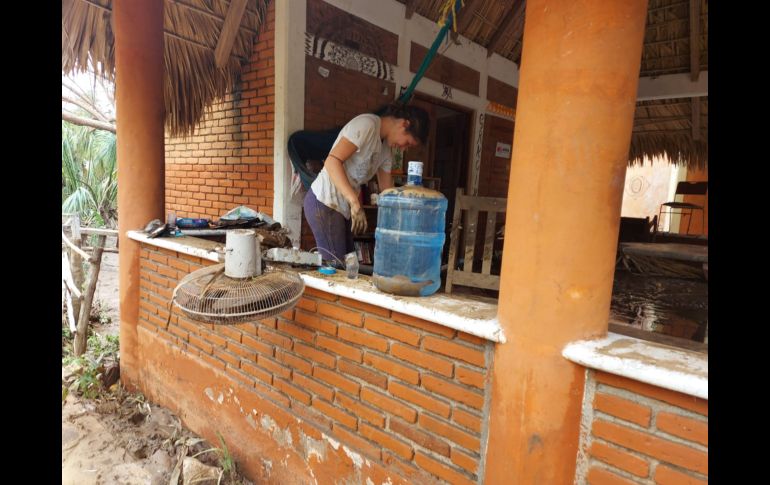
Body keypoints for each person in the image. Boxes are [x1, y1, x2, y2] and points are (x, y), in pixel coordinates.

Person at [303, 103, 430, 266]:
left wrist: (406, 216)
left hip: (343, 208)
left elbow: (387, 192)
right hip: (324, 201)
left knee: (350, 266)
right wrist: (355, 203)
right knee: (336, 268)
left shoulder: (386, 151)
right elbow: (332, 161)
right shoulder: (367, 125)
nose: (404, 149)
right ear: (404, 124)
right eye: (408, 143)